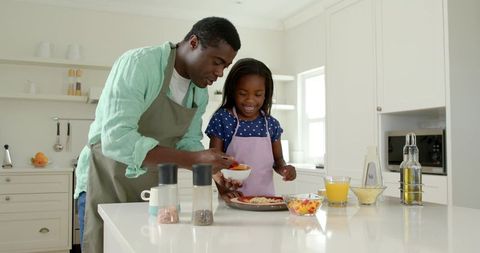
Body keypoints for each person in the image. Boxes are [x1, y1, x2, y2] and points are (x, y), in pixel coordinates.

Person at [74, 17, 241, 253]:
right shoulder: (139, 64)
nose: (220, 73)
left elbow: (189, 141)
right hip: (104, 181)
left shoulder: (199, 92)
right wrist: (194, 160)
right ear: (193, 42)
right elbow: (117, 138)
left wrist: (215, 174)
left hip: (149, 190)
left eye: (226, 66)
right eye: (217, 62)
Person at [205, 58, 296, 199]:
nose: (250, 100)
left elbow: (278, 161)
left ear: (266, 95)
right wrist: (224, 191)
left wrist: (285, 169)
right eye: (242, 93)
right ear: (233, 91)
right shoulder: (223, 119)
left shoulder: (271, 124)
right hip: (233, 200)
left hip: (265, 201)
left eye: (258, 94)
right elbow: (214, 163)